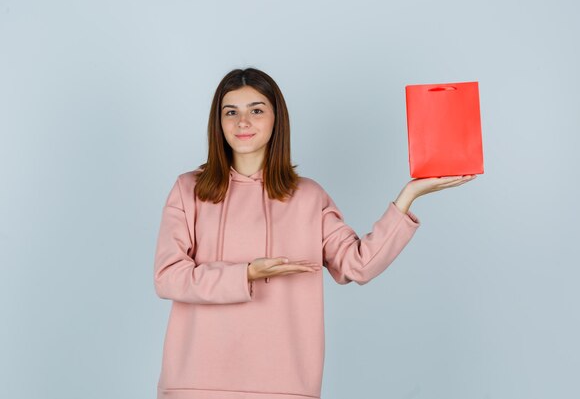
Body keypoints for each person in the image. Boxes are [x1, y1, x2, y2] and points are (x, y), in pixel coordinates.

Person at [153, 67, 476, 399]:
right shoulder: (189, 189)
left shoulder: (308, 196)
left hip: (284, 384)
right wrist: (246, 273)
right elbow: (167, 276)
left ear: (277, 119)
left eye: (257, 110)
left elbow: (358, 264)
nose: (242, 122)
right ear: (218, 122)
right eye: (231, 112)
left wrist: (409, 195)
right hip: (193, 381)